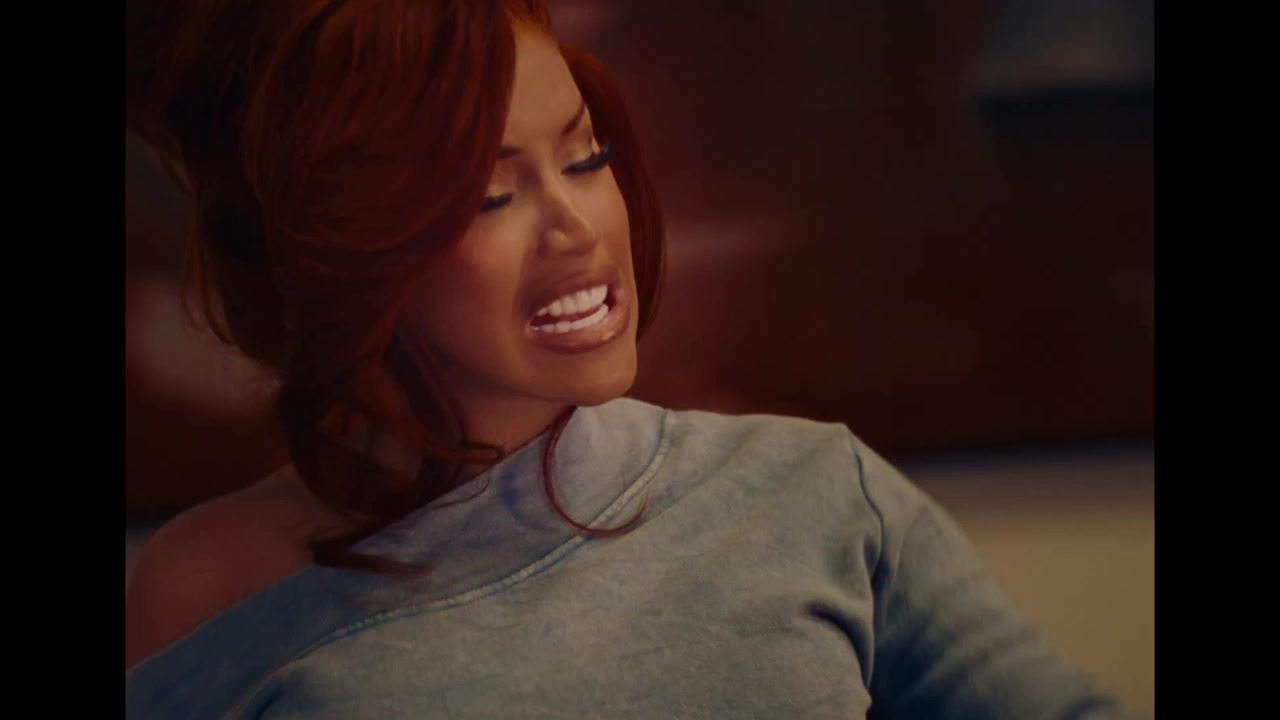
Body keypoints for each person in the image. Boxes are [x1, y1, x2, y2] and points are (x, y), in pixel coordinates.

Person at [124, 1, 1143, 717]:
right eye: (488, 195)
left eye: (586, 157)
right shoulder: (209, 585)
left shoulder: (814, 492)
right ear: (339, 251)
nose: (577, 229)